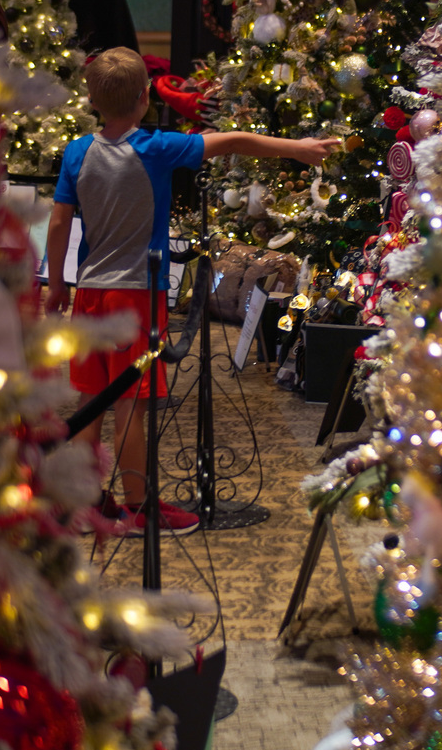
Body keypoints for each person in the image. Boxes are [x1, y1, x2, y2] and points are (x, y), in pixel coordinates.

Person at [44, 47, 340, 535]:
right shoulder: (156, 147)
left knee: (89, 403)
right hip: (136, 296)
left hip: (90, 294)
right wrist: (297, 148)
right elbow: (232, 141)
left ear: (92, 100)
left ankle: (86, 502)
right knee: (130, 406)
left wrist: (57, 284)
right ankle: (140, 509)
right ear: (144, 98)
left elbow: (59, 223)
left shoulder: (77, 152)